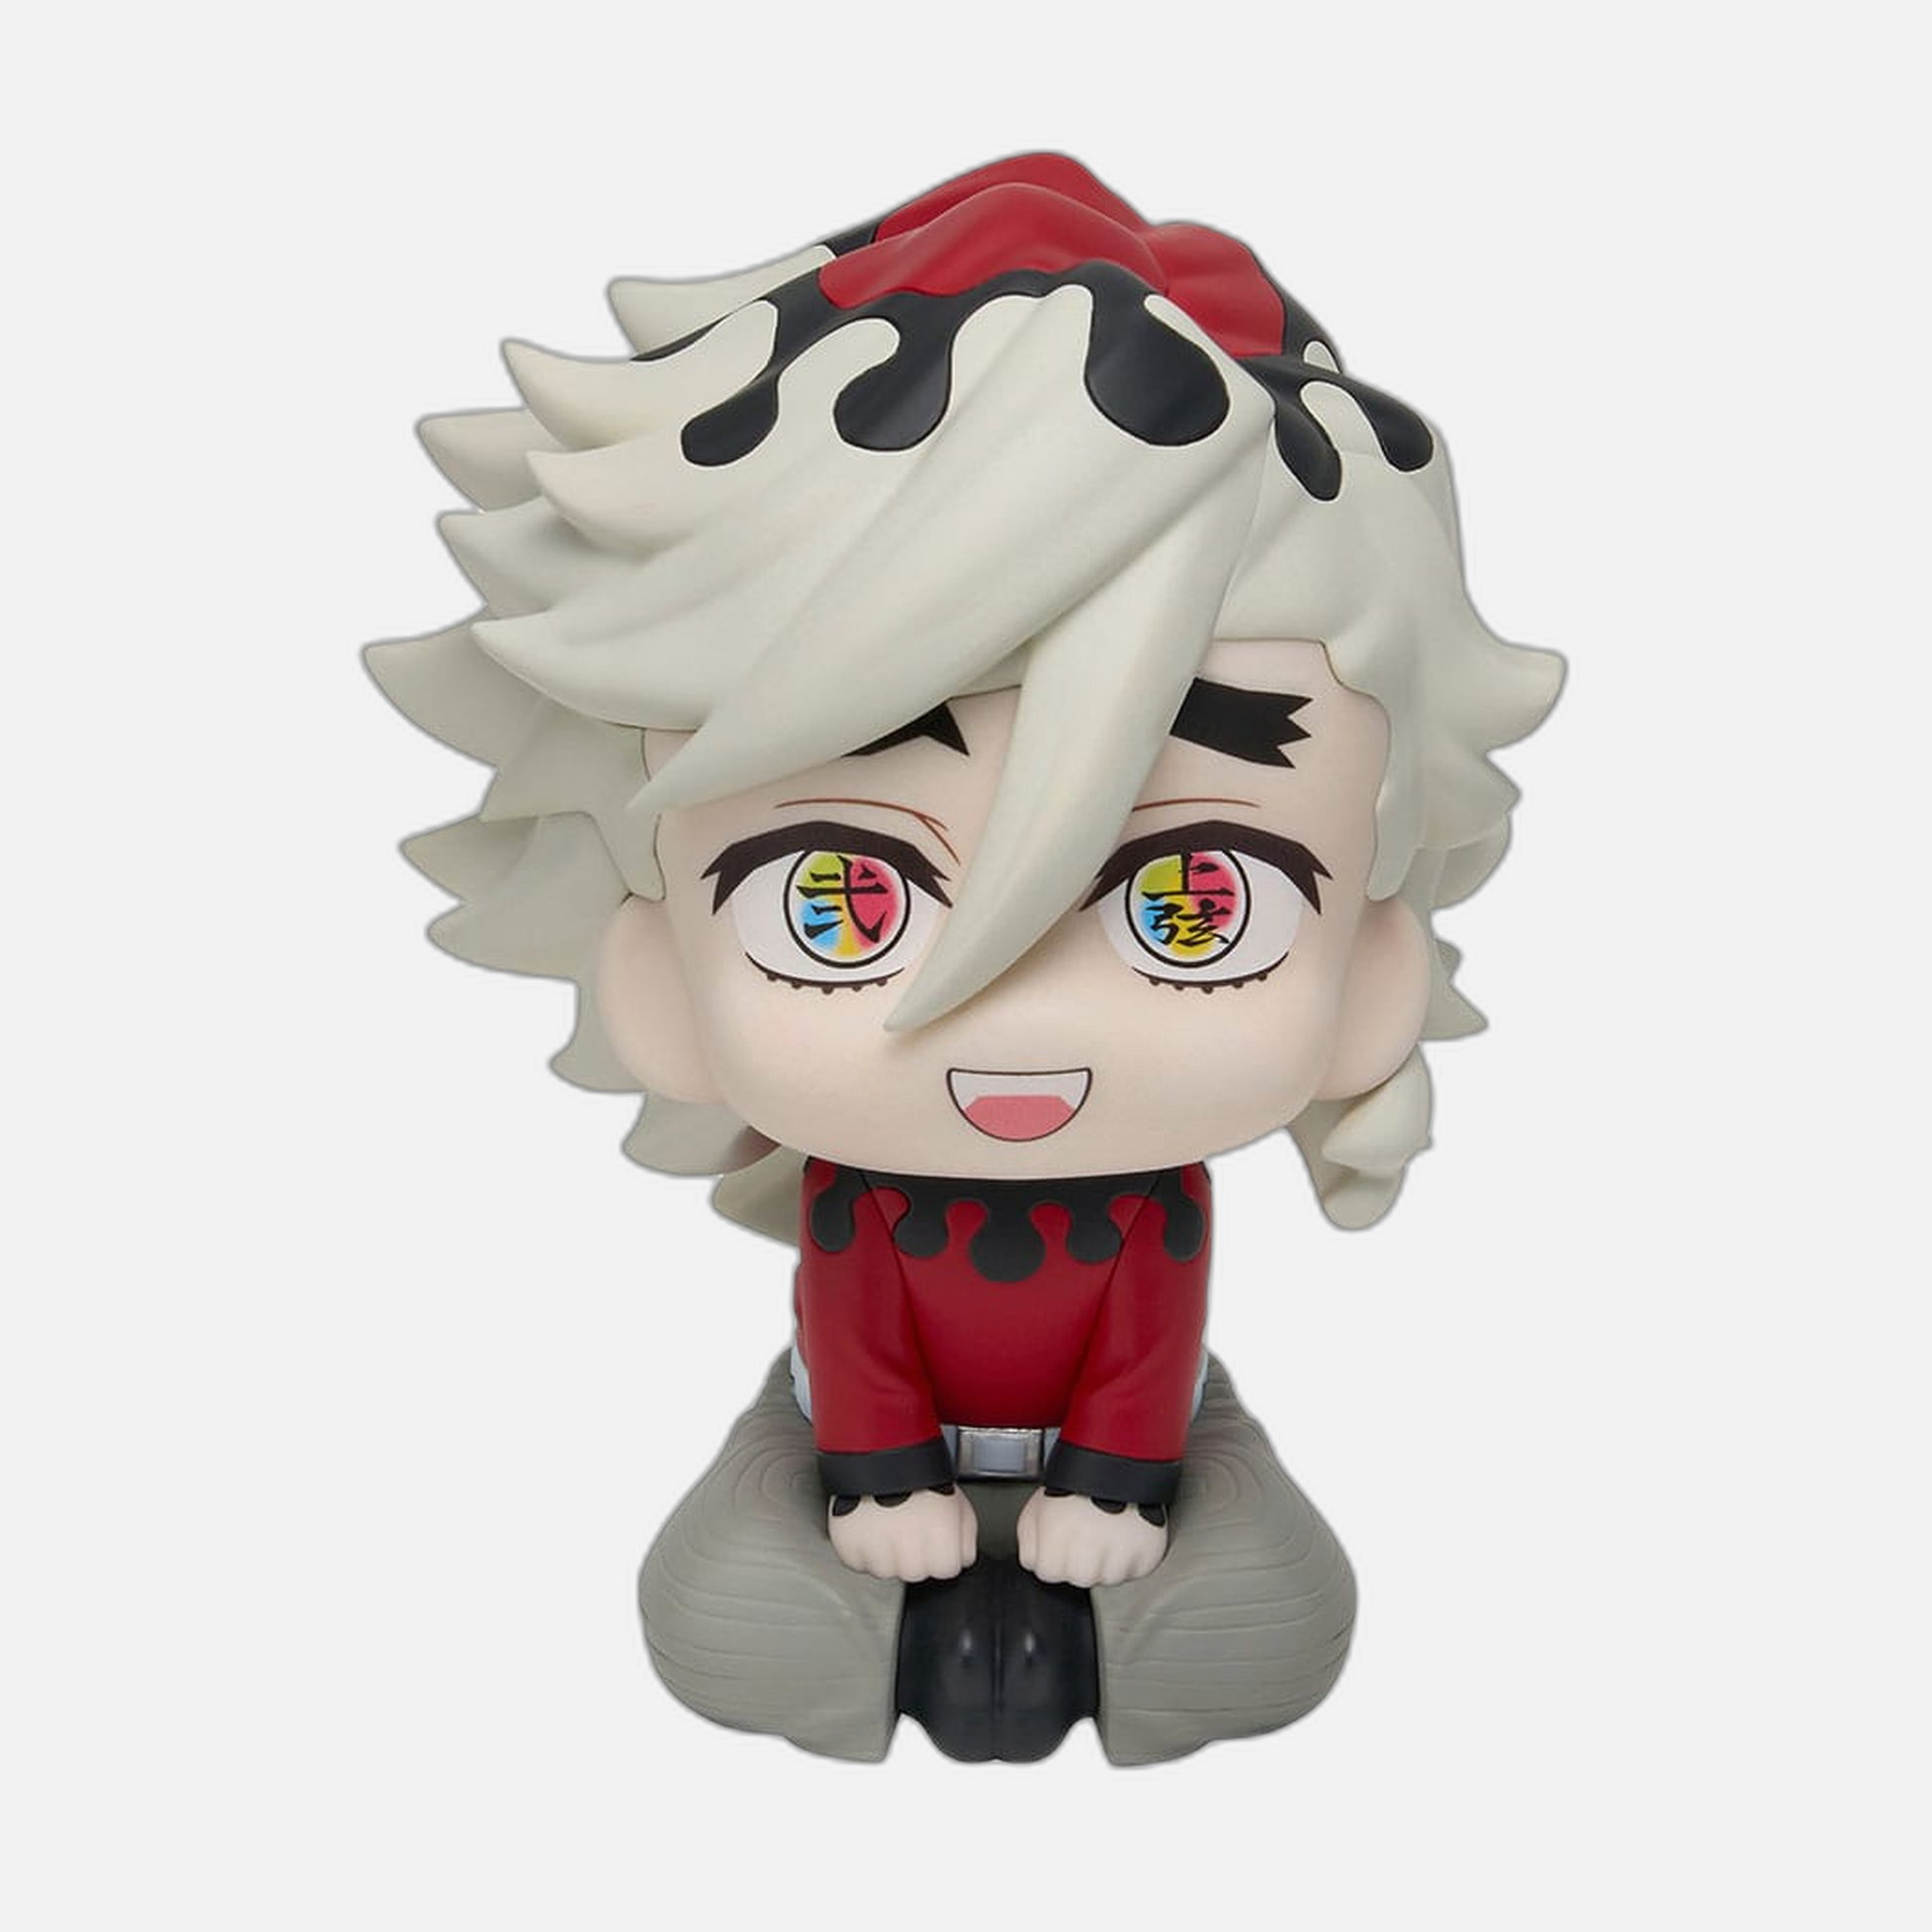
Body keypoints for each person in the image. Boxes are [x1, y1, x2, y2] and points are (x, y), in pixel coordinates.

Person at [368, 153, 1561, 1763]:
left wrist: (1120, 1479)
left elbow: (1146, 1342)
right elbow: (856, 1332)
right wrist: (874, 1471)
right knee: (733, 1611)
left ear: (1367, 975)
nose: (1017, 1019)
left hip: (1135, 1442)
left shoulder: (1156, 1201)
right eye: (839, 901)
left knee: (1260, 1617)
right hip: (859, 1434)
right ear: (656, 980)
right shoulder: (855, 1197)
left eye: (1193, 901)